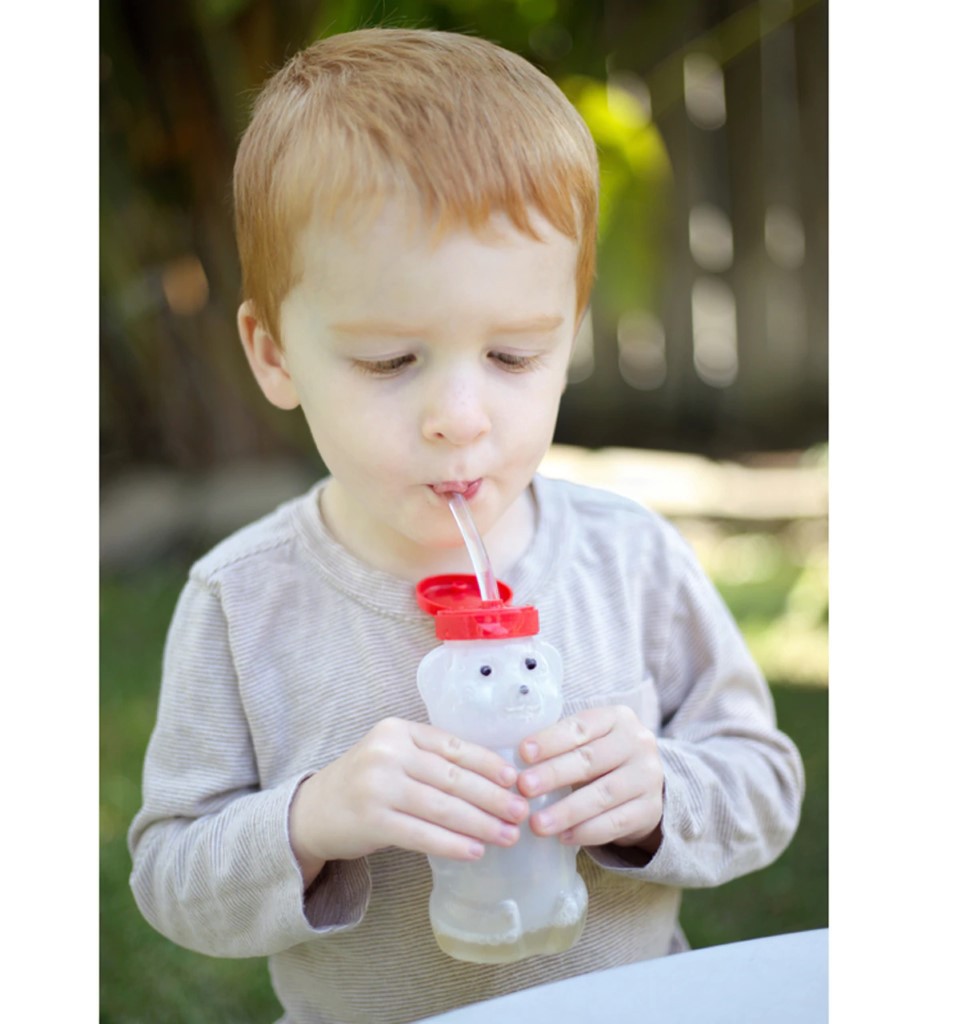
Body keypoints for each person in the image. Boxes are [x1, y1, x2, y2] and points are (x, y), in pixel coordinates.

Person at [128, 26, 805, 1024]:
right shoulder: (244, 600)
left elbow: (765, 784)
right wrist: (313, 818)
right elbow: (171, 874)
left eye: (515, 355)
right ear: (273, 355)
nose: (459, 414)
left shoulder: (627, 558)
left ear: (568, 337)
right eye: (391, 360)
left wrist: (662, 789)